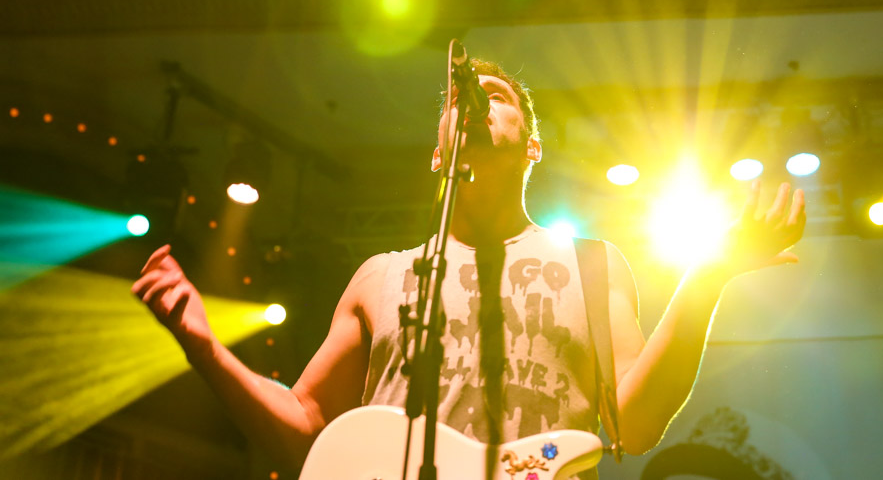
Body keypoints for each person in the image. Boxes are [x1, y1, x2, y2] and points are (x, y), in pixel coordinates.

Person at [132, 59, 806, 474]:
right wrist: (205, 347)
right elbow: (309, 431)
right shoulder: (383, 276)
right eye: (464, 98)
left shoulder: (592, 265)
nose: (478, 102)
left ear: (533, 146)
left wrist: (709, 274)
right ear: (437, 153)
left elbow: (635, 421)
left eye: (499, 95)